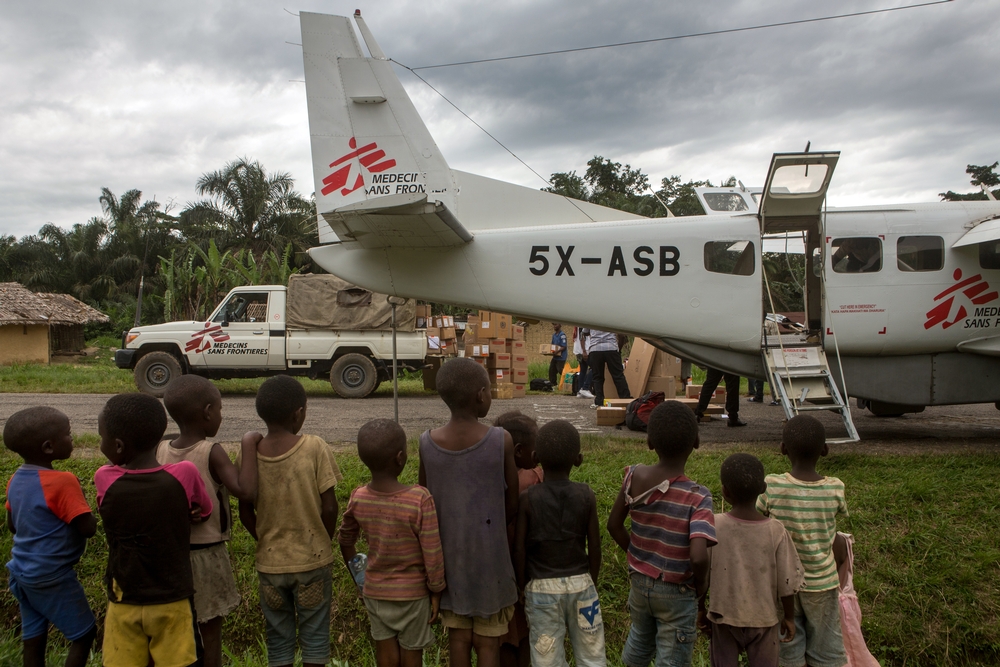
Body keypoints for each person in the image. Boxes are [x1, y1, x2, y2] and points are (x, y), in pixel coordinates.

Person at [94, 393, 214, 667]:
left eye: (102, 438)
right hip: (172, 598)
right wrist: (191, 512)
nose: (100, 445)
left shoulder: (105, 478)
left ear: (119, 446)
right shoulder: (184, 472)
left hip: (123, 598)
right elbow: (204, 511)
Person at [418, 358, 519, 667]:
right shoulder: (501, 440)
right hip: (491, 562)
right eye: (489, 390)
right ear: (480, 395)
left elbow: (425, 502)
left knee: (458, 640)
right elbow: (512, 502)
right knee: (489, 644)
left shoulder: (426, 442)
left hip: (449, 564)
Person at [238, 375, 342, 667]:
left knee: (279, 640)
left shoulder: (250, 455)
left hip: (271, 565)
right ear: (299, 413)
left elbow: (245, 511)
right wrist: (324, 538)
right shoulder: (314, 446)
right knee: (315, 637)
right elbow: (330, 507)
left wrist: (264, 538)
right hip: (312, 559)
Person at [158, 375, 260, 667]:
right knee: (210, 631)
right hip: (207, 554)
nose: (220, 415)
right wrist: (249, 443)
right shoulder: (211, 451)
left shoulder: (161, 449)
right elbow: (245, 490)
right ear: (206, 413)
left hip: (172, 555)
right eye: (219, 409)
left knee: (179, 629)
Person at [607, 401, 716, 667]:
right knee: (673, 657)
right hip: (678, 591)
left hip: (640, 584)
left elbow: (613, 525)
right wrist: (701, 586)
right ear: (697, 443)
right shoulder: (697, 496)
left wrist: (637, 554)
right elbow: (699, 557)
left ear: (650, 442)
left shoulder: (633, 476)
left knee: (640, 639)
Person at [339, 419, 446, 667]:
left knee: (385, 653)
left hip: (375, 592)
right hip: (413, 594)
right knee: (412, 654)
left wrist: (359, 577)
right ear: (400, 458)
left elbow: (345, 540)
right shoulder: (420, 498)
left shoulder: (358, 497)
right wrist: (436, 589)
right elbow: (432, 552)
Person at [4, 407, 97, 667]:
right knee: (85, 633)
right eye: (68, 435)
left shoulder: (15, 478)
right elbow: (87, 528)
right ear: (48, 447)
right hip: (51, 575)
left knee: (33, 637)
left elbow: (13, 526)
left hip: (21, 572)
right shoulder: (63, 481)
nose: (73, 439)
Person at [757, 416, 849, 667]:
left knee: (788, 645)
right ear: (825, 450)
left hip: (783, 583)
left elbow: (759, 512)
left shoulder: (772, 486)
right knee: (826, 649)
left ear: (783, 448)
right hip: (822, 582)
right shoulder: (835, 488)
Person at [514, 420, 605, 667]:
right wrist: (591, 583)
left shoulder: (527, 499)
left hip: (541, 588)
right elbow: (595, 547)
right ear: (578, 459)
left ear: (535, 457)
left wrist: (522, 585)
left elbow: (520, 549)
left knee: (547, 659)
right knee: (592, 656)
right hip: (582, 585)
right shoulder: (586, 494)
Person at [698, 453, 803, 667]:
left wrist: (700, 608)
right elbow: (788, 583)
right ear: (763, 489)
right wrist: (790, 618)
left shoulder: (713, 526)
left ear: (725, 492)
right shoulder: (775, 530)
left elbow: (701, 575)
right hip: (764, 620)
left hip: (722, 617)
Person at [493, 411, 542, 667]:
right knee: (525, 635)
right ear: (520, 451)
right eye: (537, 450)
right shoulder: (531, 478)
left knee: (504, 637)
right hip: (525, 572)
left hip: (500, 574)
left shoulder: (492, 480)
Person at [585, 329, 630, 406]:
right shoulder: (612, 316)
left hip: (595, 349)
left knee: (597, 377)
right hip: (611, 348)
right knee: (618, 376)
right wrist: (618, 349)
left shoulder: (591, 317)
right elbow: (621, 335)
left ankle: (599, 401)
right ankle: (626, 399)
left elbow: (585, 332)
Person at [573, 327, 594, 399]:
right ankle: (585, 387)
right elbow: (582, 336)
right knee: (595, 368)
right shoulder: (582, 323)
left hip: (578, 350)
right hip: (584, 350)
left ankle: (579, 390)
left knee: (583, 370)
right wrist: (584, 351)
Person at [549, 323, 568, 387]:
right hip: (555, 357)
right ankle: (553, 384)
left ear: (560, 325)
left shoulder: (562, 335)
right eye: (553, 325)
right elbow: (552, 345)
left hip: (561, 357)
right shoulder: (554, 335)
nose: (554, 326)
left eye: (556, 325)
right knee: (552, 370)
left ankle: (568, 382)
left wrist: (557, 351)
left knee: (560, 370)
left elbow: (564, 346)